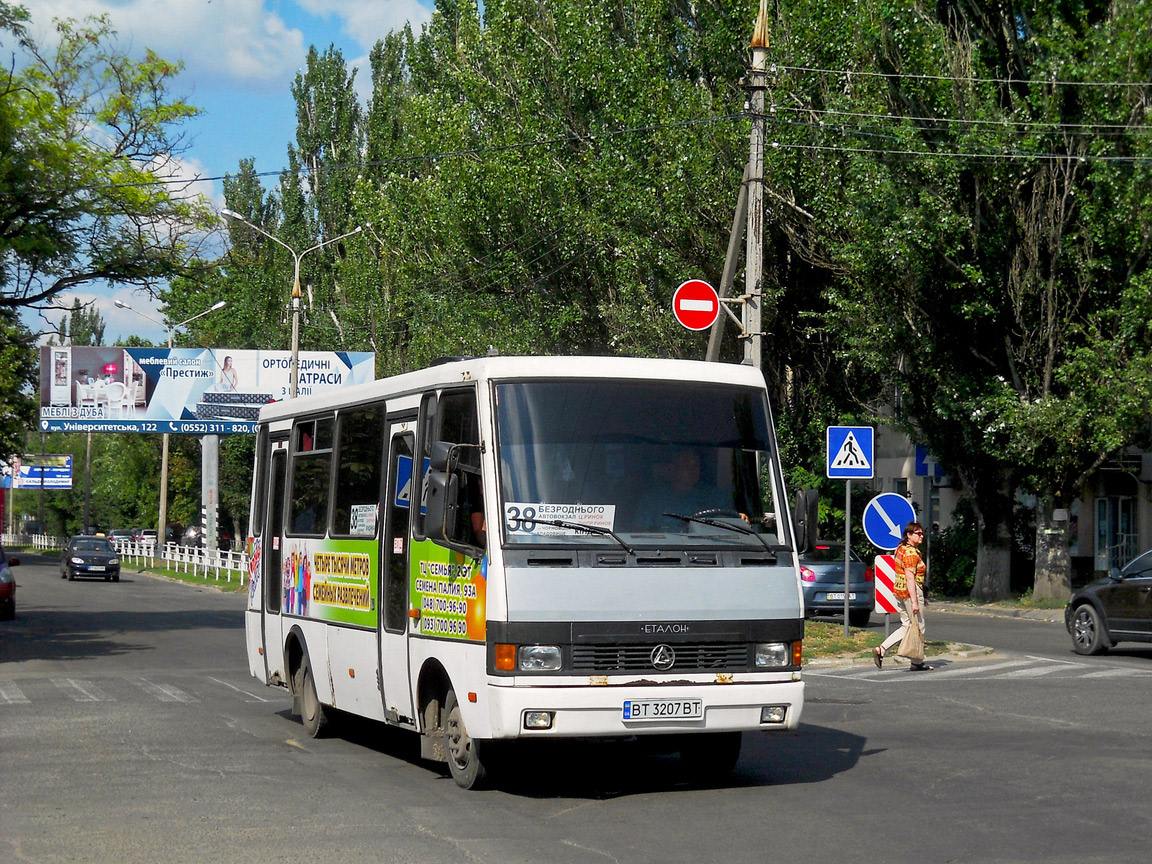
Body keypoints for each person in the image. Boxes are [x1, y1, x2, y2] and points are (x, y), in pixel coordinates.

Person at [873, 521, 932, 671]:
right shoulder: (911, 553)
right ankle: (917, 662)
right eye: (918, 534)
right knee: (919, 626)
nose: (922, 536)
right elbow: (910, 577)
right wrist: (915, 602)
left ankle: (882, 649)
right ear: (909, 535)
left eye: (922, 533)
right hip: (911, 592)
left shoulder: (900, 549)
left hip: (899, 591)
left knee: (907, 625)